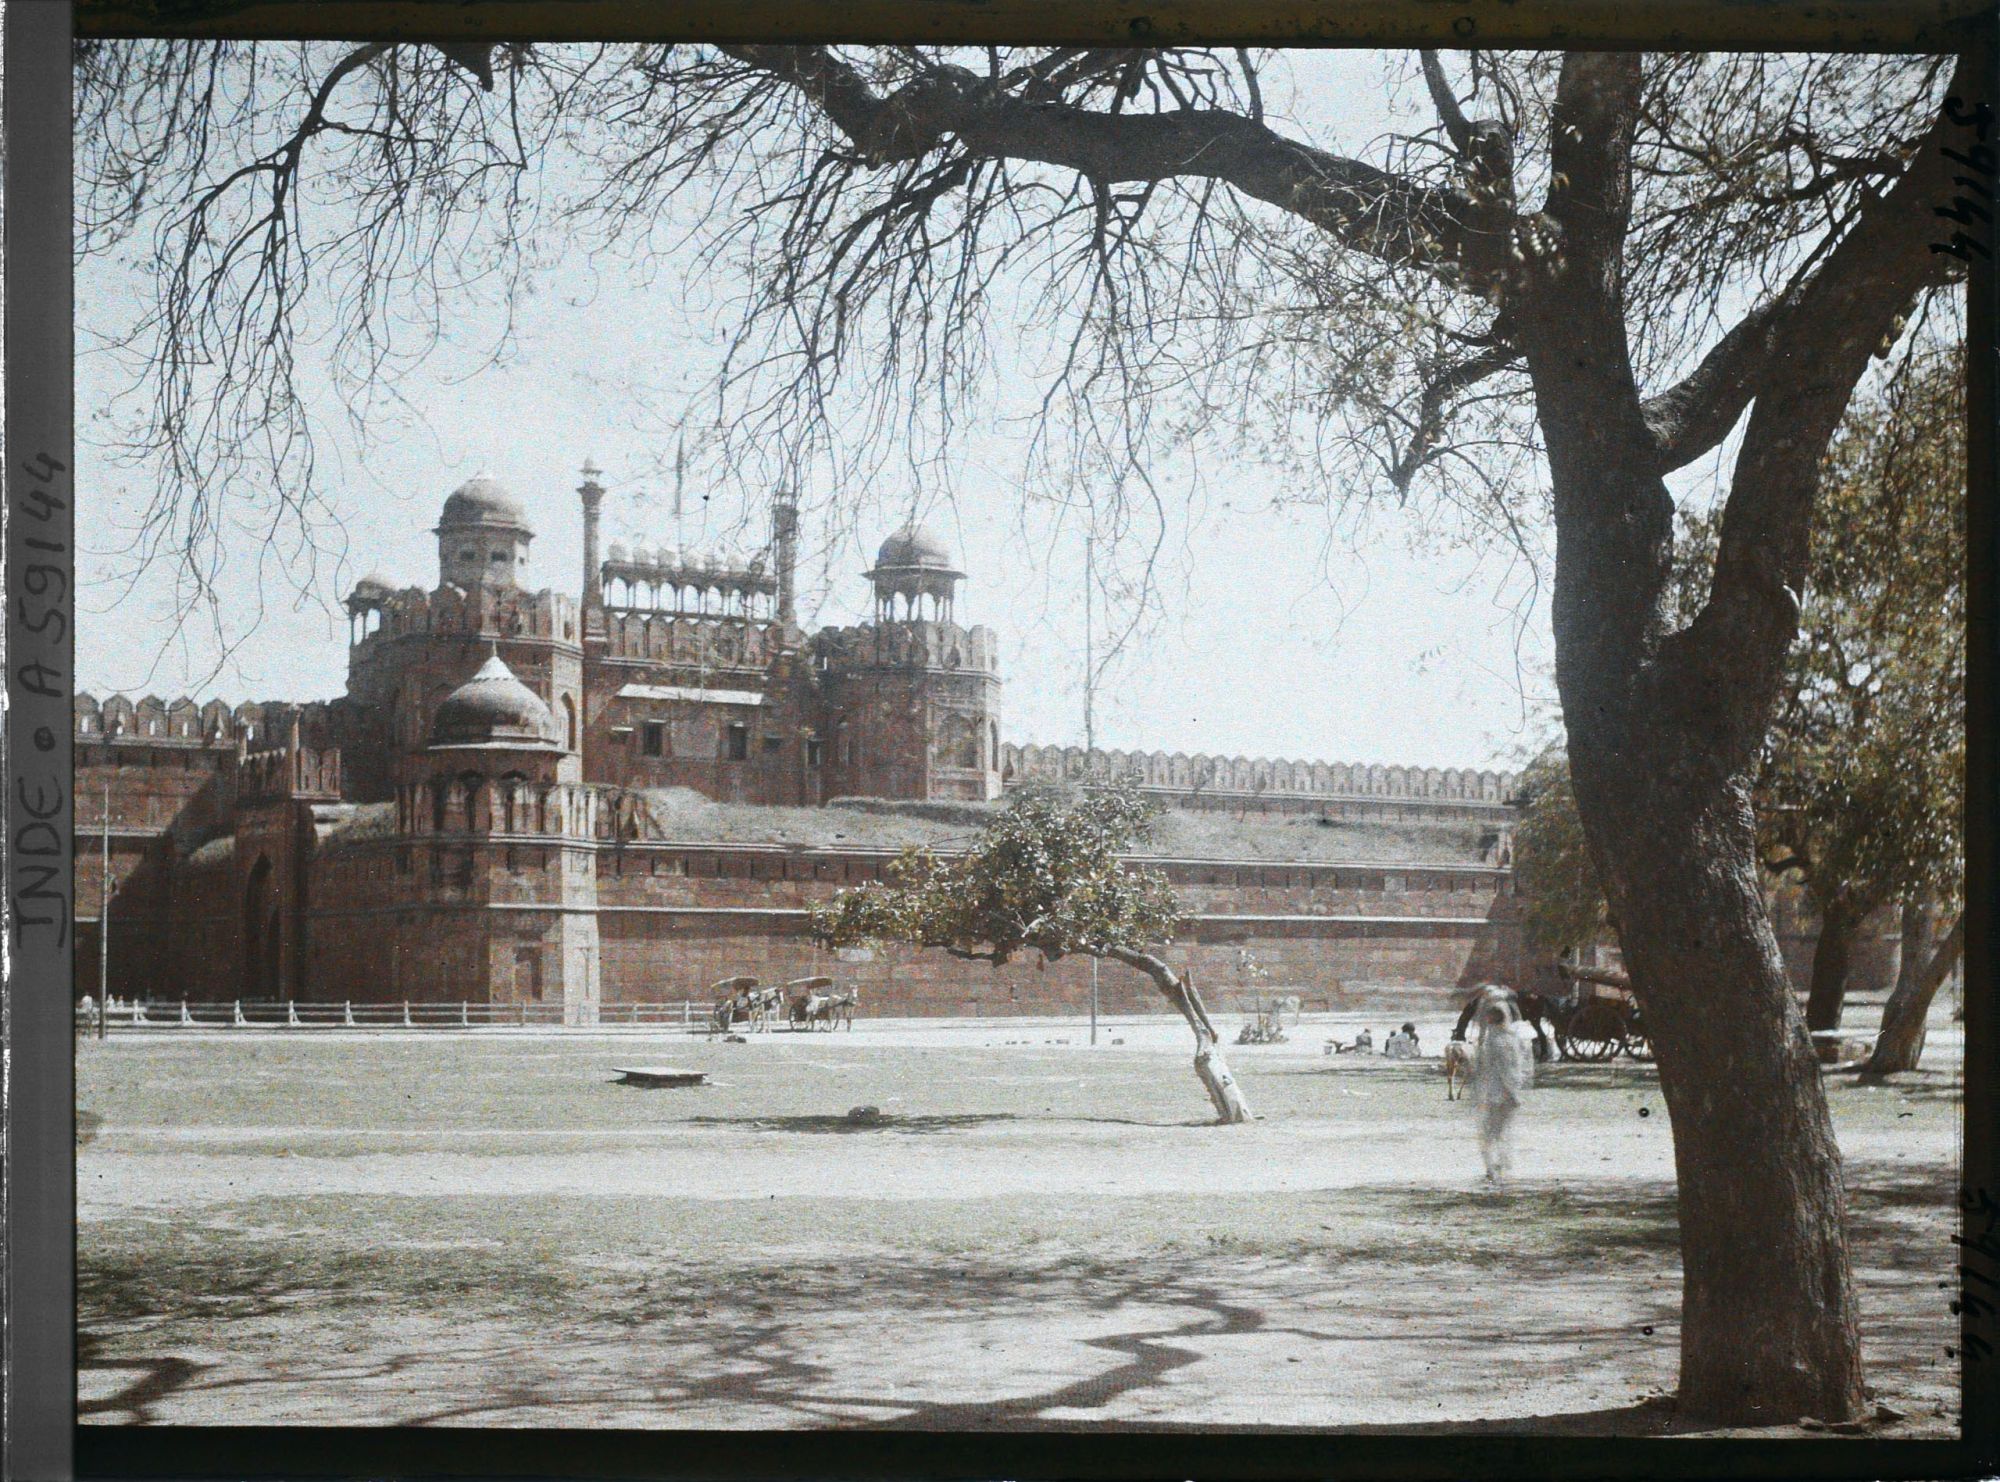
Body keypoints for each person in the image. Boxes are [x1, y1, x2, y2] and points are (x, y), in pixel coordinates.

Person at [1467, 985, 1534, 1181]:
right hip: (1502, 1093)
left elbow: (1506, 1070)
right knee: (1501, 1131)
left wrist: (1510, 1092)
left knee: (1490, 1133)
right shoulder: (1511, 1038)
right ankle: (1501, 1166)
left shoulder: (1497, 1041)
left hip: (1498, 1094)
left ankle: (1494, 1168)